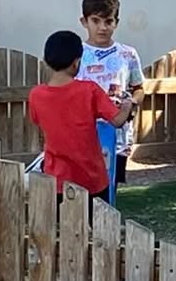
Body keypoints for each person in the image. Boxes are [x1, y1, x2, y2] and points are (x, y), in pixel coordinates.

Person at [28, 30, 135, 203]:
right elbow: (117, 121)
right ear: (76, 62)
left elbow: (37, 122)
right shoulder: (89, 90)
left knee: (61, 220)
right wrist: (127, 106)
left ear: (46, 61)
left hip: (56, 179)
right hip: (91, 179)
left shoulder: (36, 95)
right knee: (97, 219)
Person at [75, 0, 145, 187]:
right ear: (84, 21)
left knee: (111, 187)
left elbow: (139, 88)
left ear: (116, 22)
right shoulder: (77, 54)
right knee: (84, 189)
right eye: (96, 21)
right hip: (84, 135)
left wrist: (132, 103)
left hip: (118, 137)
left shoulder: (127, 54)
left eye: (108, 21)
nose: (102, 27)